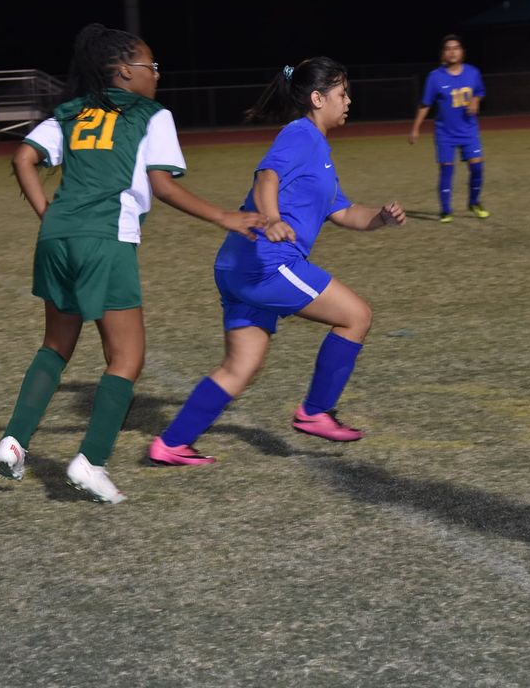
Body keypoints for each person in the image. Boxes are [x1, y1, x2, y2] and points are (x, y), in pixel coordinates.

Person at [0, 23, 265, 504]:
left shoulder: (71, 111)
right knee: (127, 358)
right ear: (124, 71)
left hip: (58, 236)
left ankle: (14, 442)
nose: (157, 73)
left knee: (55, 346)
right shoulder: (151, 115)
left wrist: (49, 215)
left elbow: (22, 159)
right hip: (105, 239)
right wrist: (225, 216)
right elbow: (162, 185)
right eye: (150, 65)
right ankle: (91, 461)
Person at [147, 56, 406, 467]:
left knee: (240, 366)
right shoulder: (300, 134)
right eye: (342, 93)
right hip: (267, 263)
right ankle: (315, 412)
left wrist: (381, 218)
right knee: (356, 316)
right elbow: (266, 176)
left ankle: (171, 444)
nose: (349, 101)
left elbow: (345, 213)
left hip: (238, 266)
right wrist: (272, 219)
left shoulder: (318, 150)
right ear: (318, 98)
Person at [408, 34, 489, 223]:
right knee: (446, 170)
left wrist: (476, 101)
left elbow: (480, 91)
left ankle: (474, 202)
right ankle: (446, 210)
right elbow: (425, 104)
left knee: (477, 168)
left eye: (456, 48)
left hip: (469, 131)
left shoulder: (473, 73)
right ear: (443, 54)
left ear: (462, 52)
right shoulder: (435, 77)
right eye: (448, 48)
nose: (452, 51)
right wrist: (415, 128)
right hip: (445, 133)